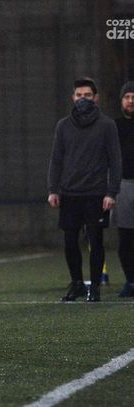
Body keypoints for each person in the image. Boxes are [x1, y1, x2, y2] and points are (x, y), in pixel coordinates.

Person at [47, 77, 122, 302]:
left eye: (87, 95)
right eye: (79, 95)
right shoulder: (63, 126)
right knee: (70, 241)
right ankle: (77, 284)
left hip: (96, 193)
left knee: (96, 241)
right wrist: (53, 189)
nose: (83, 99)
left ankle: (95, 287)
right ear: (73, 97)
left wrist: (111, 192)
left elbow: (115, 160)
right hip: (69, 193)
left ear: (95, 98)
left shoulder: (107, 125)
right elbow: (56, 159)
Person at [114, 81, 134, 297]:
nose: (130, 101)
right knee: (126, 238)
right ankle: (131, 281)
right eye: (127, 97)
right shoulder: (114, 127)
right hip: (124, 186)